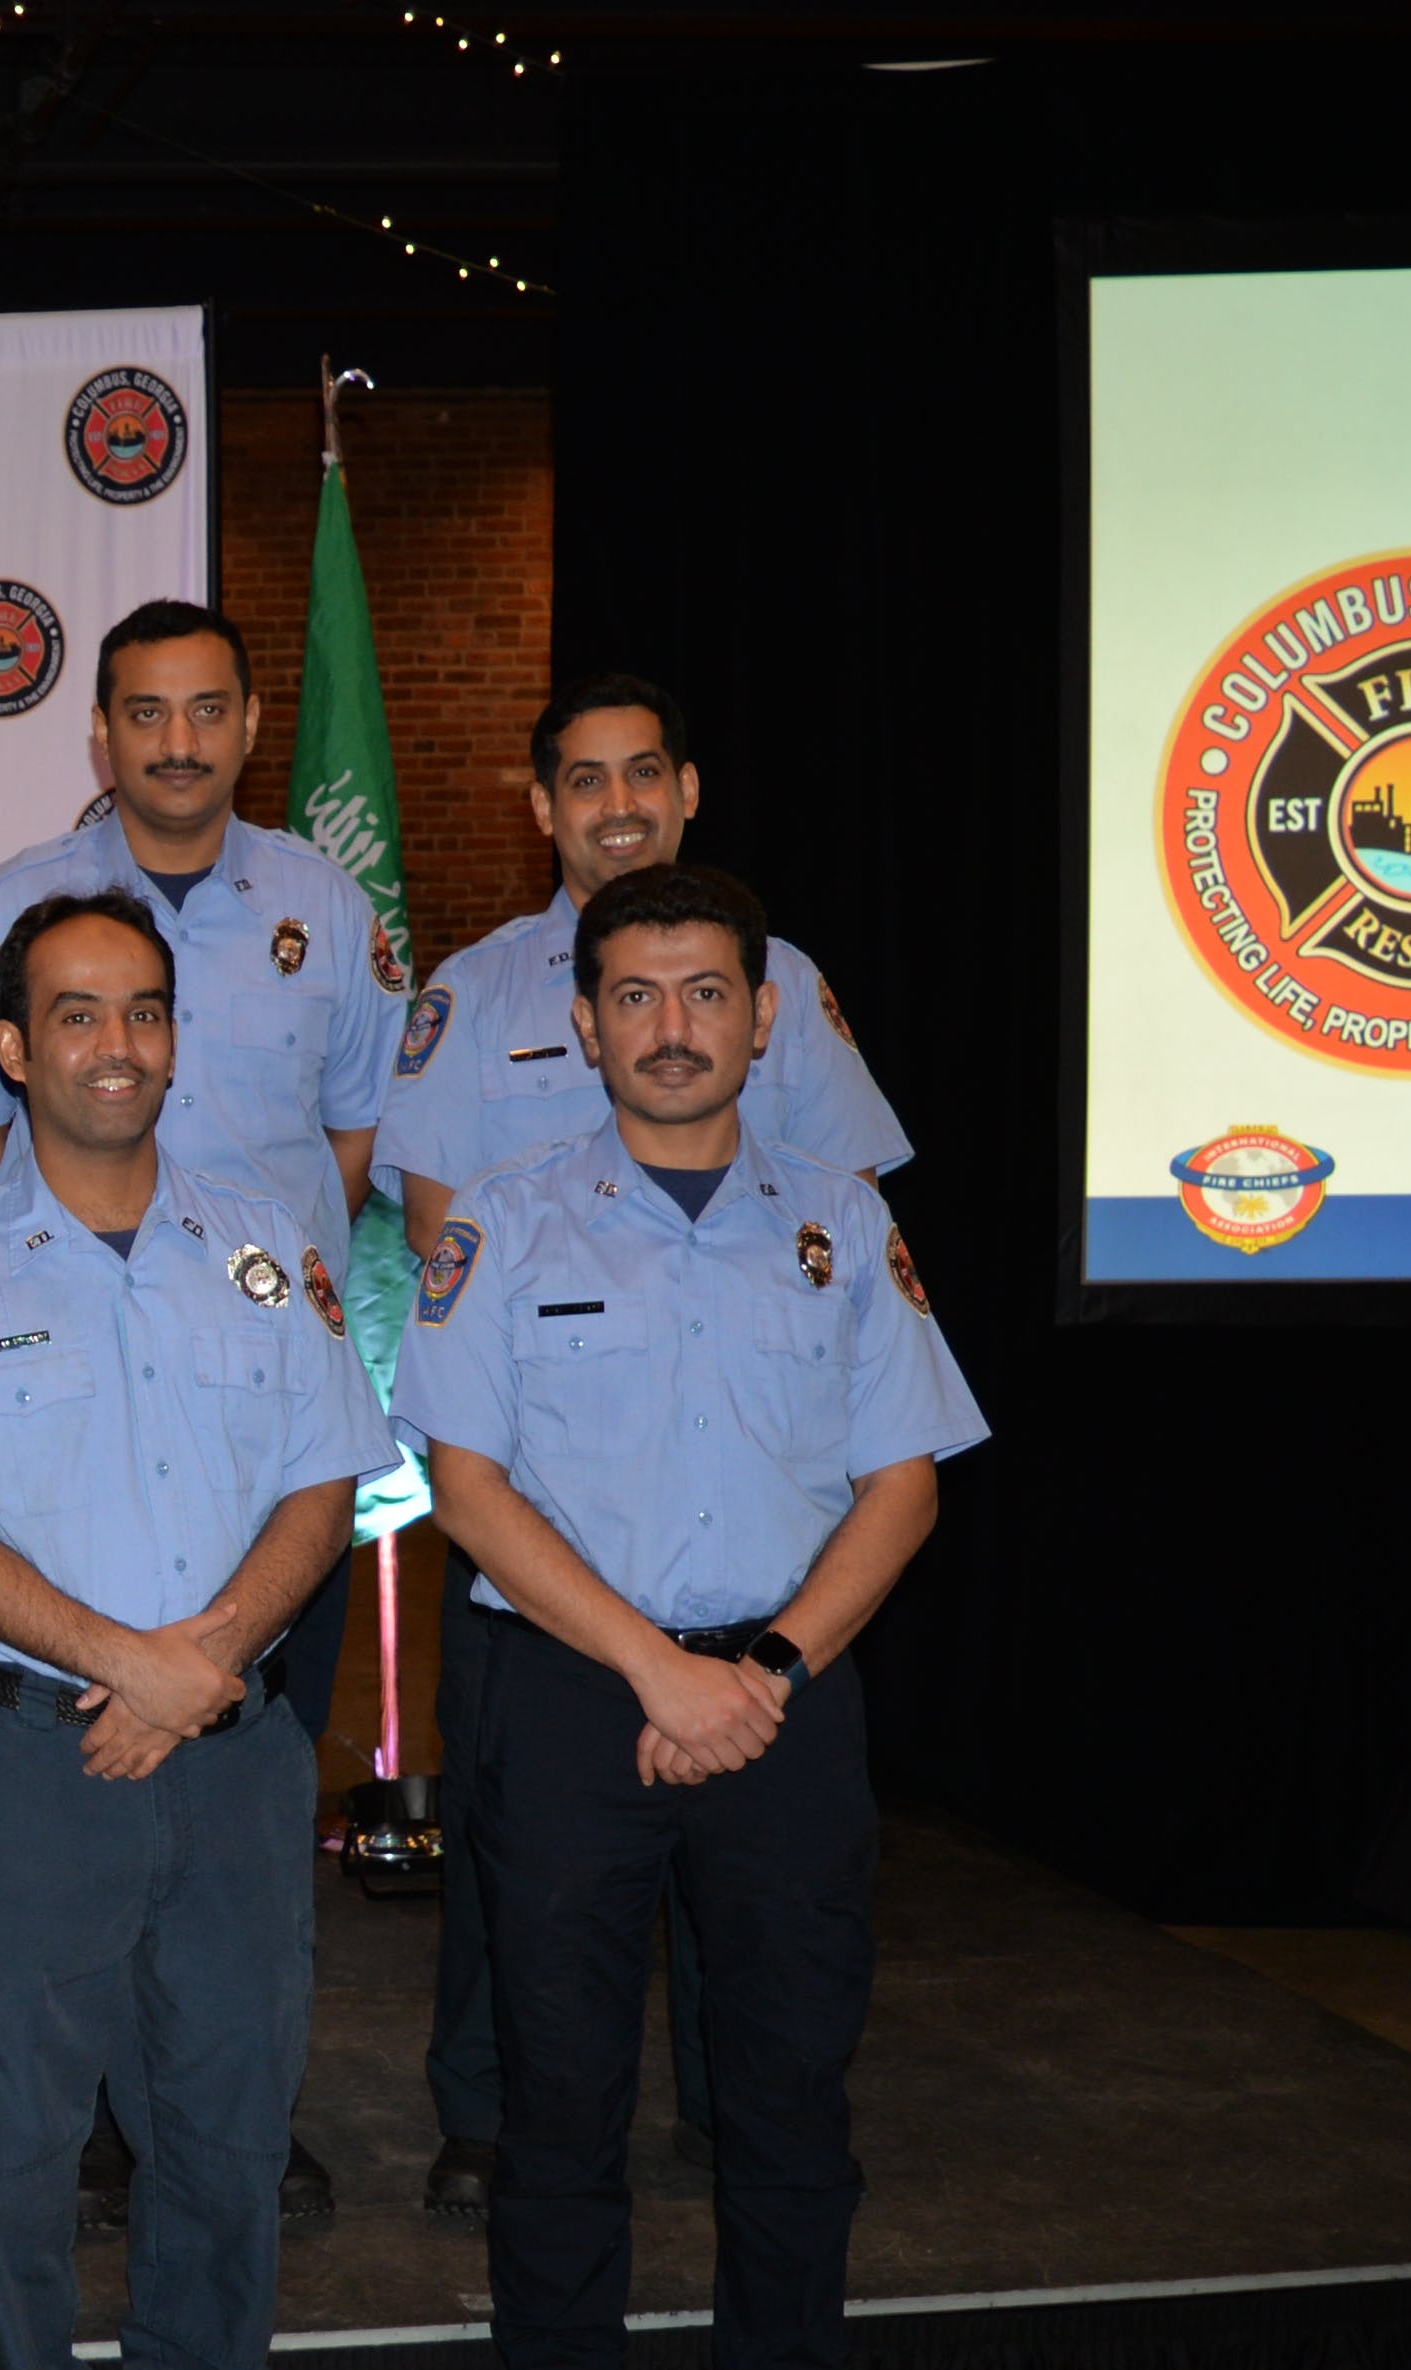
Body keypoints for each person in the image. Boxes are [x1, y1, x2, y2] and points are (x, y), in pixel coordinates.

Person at [392, 863, 983, 2370]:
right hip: (577, 1696)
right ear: (581, 1020)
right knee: (558, 2103)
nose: (670, 1026)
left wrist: (773, 1669)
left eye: (705, 992)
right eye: (634, 994)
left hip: (789, 1693)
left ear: (760, 1014)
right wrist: (661, 1670)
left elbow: (904, 1478)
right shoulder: (499, 1222)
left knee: (792, 2099)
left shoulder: (840, 1220)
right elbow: (468, 1486)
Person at [0, 890, 395, 2370]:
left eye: (146, 1011)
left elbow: (324, 1477)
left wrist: (208, 1662)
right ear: (13, 1047)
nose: (118, 1044)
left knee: (226, 2132)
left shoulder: (265, 1242)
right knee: (7, 2147)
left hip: (235, 1760)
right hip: (28, 1766)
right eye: (78, 1014)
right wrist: (131, 1662)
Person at [373, 677, 911, 2229]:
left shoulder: (782, 978)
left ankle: (734, 2108)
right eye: (582, 780)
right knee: (518, 1872)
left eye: (642, 775)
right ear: (538, 808)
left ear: (687, 789)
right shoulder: (472, 995)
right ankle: (493, 2111)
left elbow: (834, 1214)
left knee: (746, 1889)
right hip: (543, 1520)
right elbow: (438, 1240)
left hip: (741, 1539)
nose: (615, 805)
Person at [0, 599, 407, 2223]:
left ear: (252, 718)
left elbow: (349, 1143)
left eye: (208, 707)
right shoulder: (11, 905)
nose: (179, 740)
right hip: (58, 1439)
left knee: (238, 1795)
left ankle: (220, 2113)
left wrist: (241, 1267)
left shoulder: (324, 904)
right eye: (146, 712)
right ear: (102, 734)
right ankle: (94, 2125)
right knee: (64, 1831)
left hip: (256, 1412)